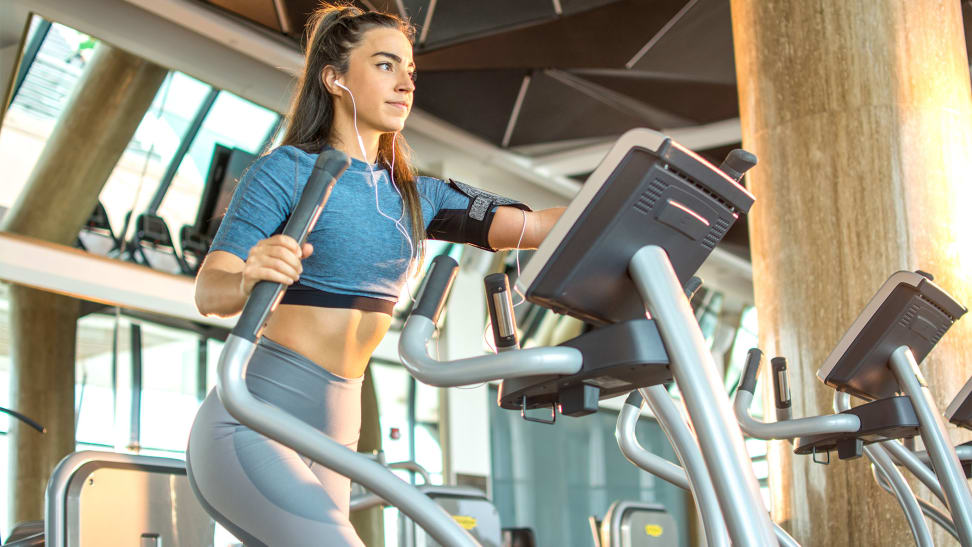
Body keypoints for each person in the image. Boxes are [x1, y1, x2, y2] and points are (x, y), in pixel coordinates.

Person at [185, 4, 565, 546]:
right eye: (386, 65)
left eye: (410, 70)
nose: (406, 83)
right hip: (252, 420)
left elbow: (539, 226)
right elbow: (208, 291)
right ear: (335, 78)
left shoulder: (418, 195)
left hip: (337, 428)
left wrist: (646, 202)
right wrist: (248, 277)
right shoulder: (285, 170)